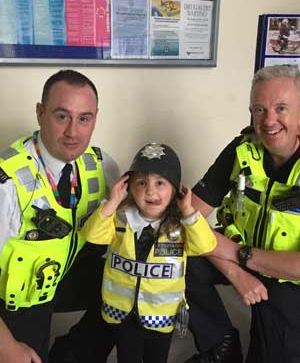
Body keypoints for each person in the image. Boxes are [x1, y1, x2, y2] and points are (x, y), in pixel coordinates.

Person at [0, 69, 119, 362]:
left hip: (65, 272)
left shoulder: (99, 164)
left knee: (131, 292)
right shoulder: (9, 181)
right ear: (41, 114)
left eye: (84, 118)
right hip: (19, 294)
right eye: (62, 116)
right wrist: (7, 347)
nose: (73, 132)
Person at [184, 64, 300, 363]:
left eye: (281, 108)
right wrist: (237, 272)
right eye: (259, 110)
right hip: (241, 254)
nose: (269, 120)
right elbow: (185, 216)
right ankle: (220, 346)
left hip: (289, 277)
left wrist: (238, 255)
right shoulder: (242, 149)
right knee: (174, 254)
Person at [81, 142, 221, 363]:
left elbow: (206, 245)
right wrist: (113, 201)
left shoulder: (181, 225)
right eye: (141, 182)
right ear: (129, 187)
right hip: (122, 314)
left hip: (161, 317)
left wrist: (188, 211)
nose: (150, 191)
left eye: (160, 183)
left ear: (175, 189)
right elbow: (92, 235)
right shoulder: (119, 217)